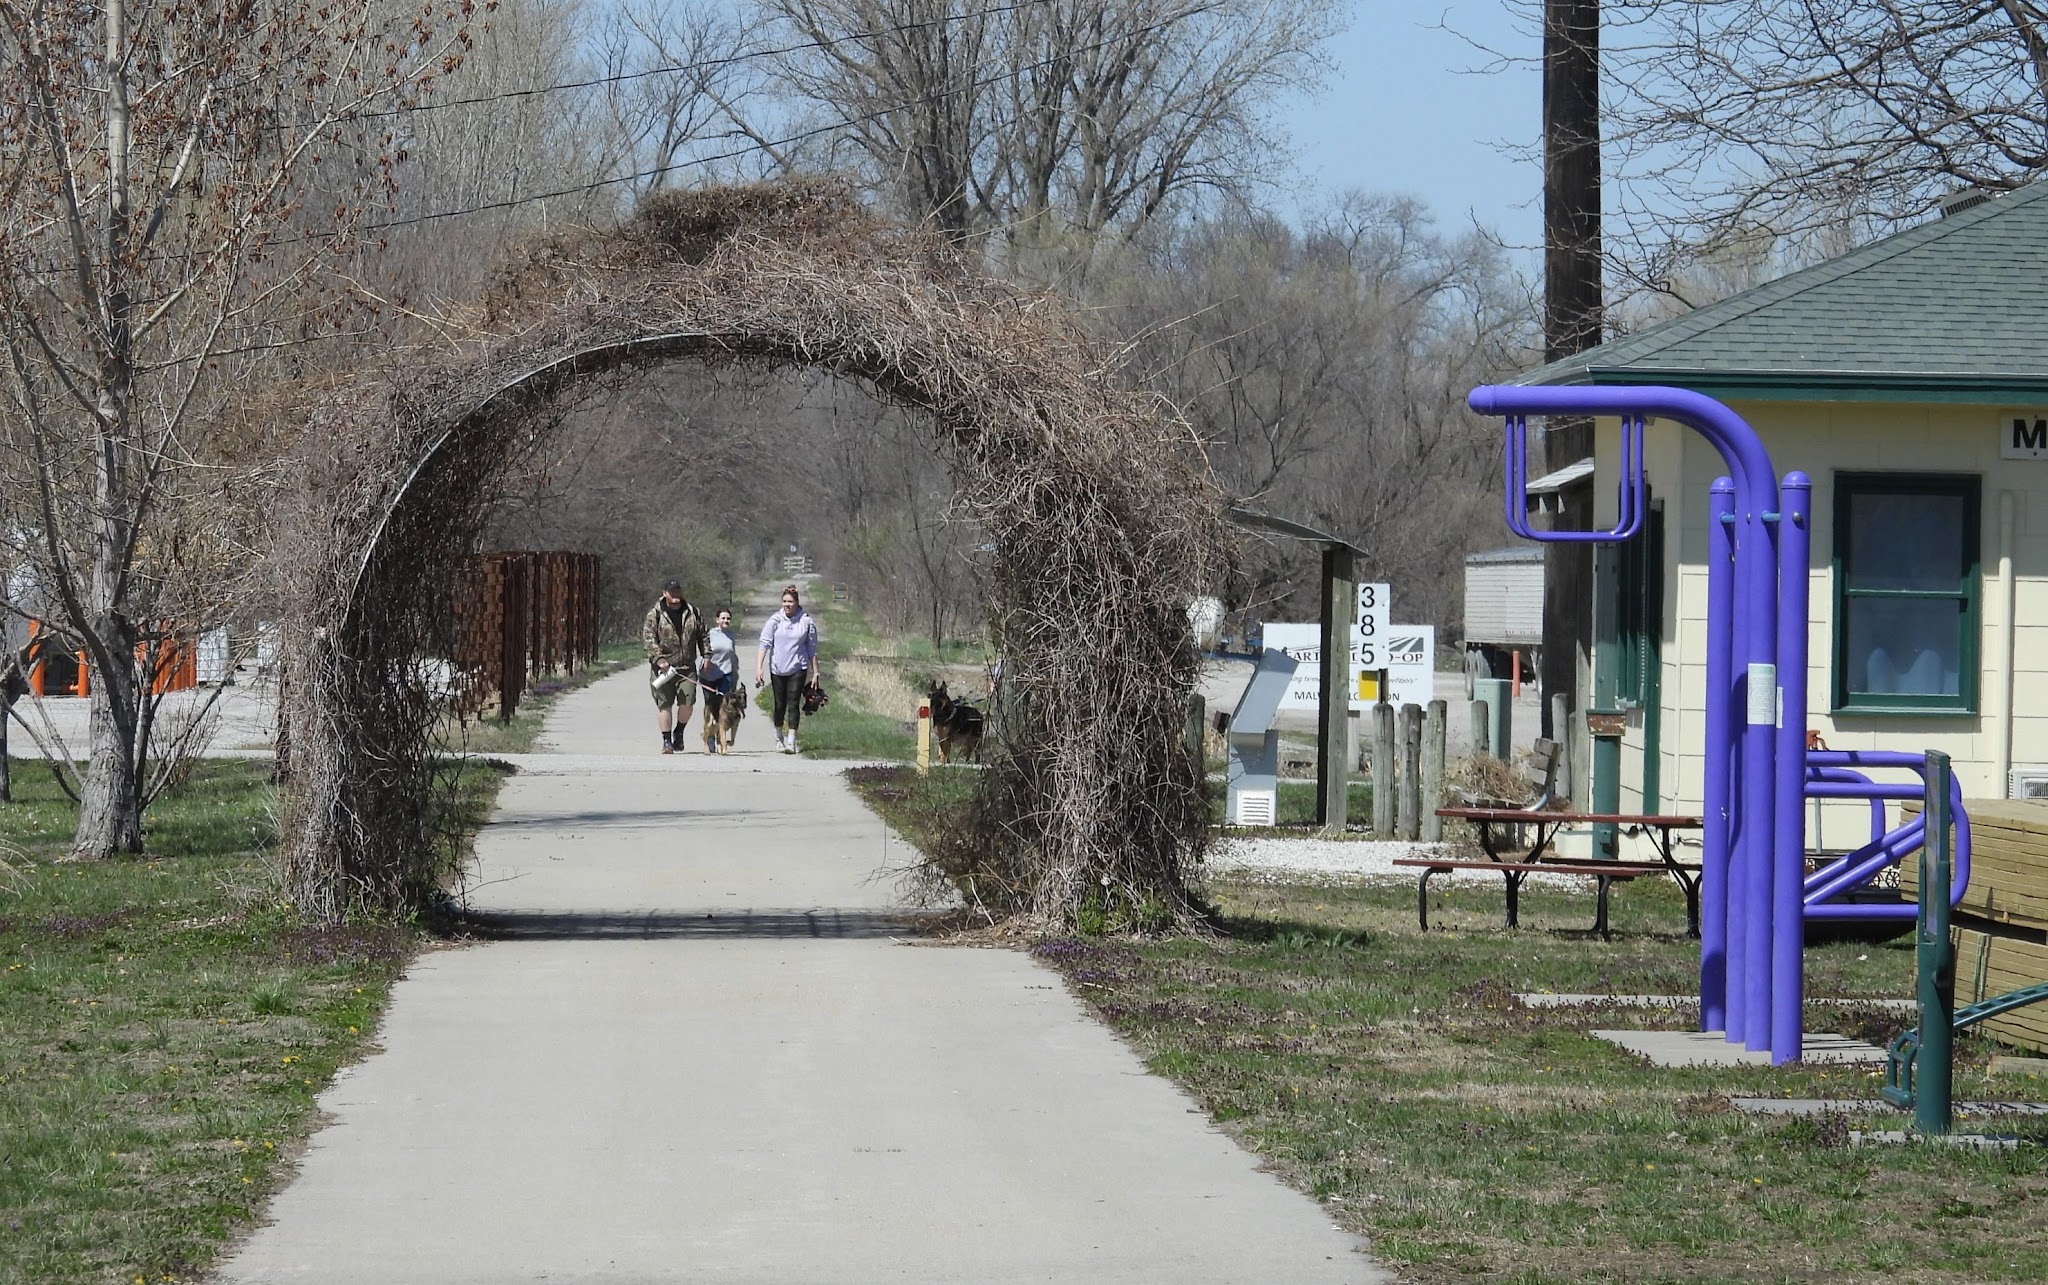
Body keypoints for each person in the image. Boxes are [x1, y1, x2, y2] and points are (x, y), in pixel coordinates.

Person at [642, 578, 708, 754]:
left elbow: (703, 635)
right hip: (663, 669)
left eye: (678, 591)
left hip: (686, 667)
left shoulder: (693, 612)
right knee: (665, 704)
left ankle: (679, 732)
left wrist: (706, 655)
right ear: (664, 593)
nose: (675, 594)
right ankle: (666, 741)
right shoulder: (655, 614)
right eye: (672, 592)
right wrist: (659, 659)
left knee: (687, 702)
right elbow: (649, 639)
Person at [755, 583, 819, 754]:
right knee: (779, 704)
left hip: (798, 668)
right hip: (777, 669)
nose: (787, 605)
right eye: (784, 601)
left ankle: (791, 740)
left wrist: (815, 672)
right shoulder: (774, 621)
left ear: (797, 602)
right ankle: (778, 736)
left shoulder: (806, 622)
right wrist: (759, 668)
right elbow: (764, 644)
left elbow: (812, 649)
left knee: (793, 703)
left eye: (790, 602)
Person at [697, 606, 740, 753]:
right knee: (710, 706)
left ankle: (721, 740)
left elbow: (732, 655)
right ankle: (708, 738)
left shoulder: (732, 635)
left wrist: (735, 673)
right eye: (723, 618)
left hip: (725, 673)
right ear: (717, 620)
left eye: (728, 618)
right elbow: (704, 652)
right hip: (708, 673)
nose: (726, 620)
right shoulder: (710, 634)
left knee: (724, 707)